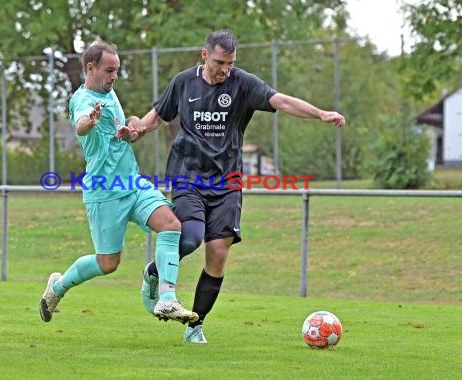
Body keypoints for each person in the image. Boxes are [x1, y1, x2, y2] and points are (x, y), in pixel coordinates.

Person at [118, 30, 345, 343]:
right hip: (188, 175)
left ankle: (195, 325)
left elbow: (282, 101)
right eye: (219, 62)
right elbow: (156, 117)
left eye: (230, 63)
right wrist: (137, 128)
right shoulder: (184, 82)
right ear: (204, 55)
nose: (225, 69)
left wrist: (320, 114)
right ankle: (154, 273)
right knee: (192, 237)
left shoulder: (243, 83)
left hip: (227, 182)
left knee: (218, 252)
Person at [39, 41, 198, 326]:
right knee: (108, 264)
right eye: (109, 70)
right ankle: (58, 286)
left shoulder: (110, 93)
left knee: (171, 225)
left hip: (133, 184)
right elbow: (81, 124)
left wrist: (132, 129)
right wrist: (90, 120)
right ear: (91, 68)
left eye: (117, 70)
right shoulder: (84, 100)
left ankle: (167, 299)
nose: (115, 76)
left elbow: (123, 132)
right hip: (104, 191)